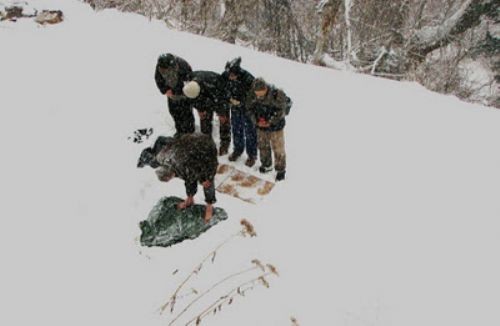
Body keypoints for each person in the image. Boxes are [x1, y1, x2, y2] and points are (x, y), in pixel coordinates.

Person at [137, 133, 218, 222]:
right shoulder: (164, 159)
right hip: (188, 146)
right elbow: (189, 178)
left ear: (171, 174)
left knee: (207, 181)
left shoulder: (182, 164)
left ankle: (209, 207)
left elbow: (196, 171)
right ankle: (190, 198)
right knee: (191, 175)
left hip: (205, 147)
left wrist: (206, 178)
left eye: (169, 179)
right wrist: (190, 196)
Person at [246, 77, 290, 181]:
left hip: (276, 126)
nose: (259, 96)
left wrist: (270, 122)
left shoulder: (277, 94)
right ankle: (266, 165)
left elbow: (281, 111)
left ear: (266, 88)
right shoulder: (252, 94)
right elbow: (249, 109)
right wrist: (256, 121)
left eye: (261, 93)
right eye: (257, 93)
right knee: (262, 145)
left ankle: (280, 170)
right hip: (260, 125)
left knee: (278, 148)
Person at [182, 71, 231, 156]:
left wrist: (222, 113)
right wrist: (200, 109)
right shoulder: (189, 86)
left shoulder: (213, 83)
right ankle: (206, 144)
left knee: (224, 121)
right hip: (205, 98)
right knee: (204, 120)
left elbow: (222, 98)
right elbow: (193, 101)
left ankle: (225, 145)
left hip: (220, 95)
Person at [221, 57, 258, 167]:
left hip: (247, 108)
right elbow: (223, 88)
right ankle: (238, 149)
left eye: (233, 76)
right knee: (236, 128)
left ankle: (252, 155)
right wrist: (229, 99)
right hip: (234, 107)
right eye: (229, 75)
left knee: (250, 131)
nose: (231, 78)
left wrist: (242, 102)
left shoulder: (249, 79)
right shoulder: (225, 75)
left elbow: (254, 97)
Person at [154, 53, 195, 136]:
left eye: (167, 68)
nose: (165, 70)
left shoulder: (183, 65)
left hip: (184, 92)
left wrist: (183, 90)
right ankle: (180, 131)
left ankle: (190, 131)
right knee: (174, 112)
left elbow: (190, 80)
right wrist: (165, 90)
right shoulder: (159, 66)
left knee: (186, 112)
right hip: (171, 94)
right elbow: (158, 79)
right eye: (163, 69)